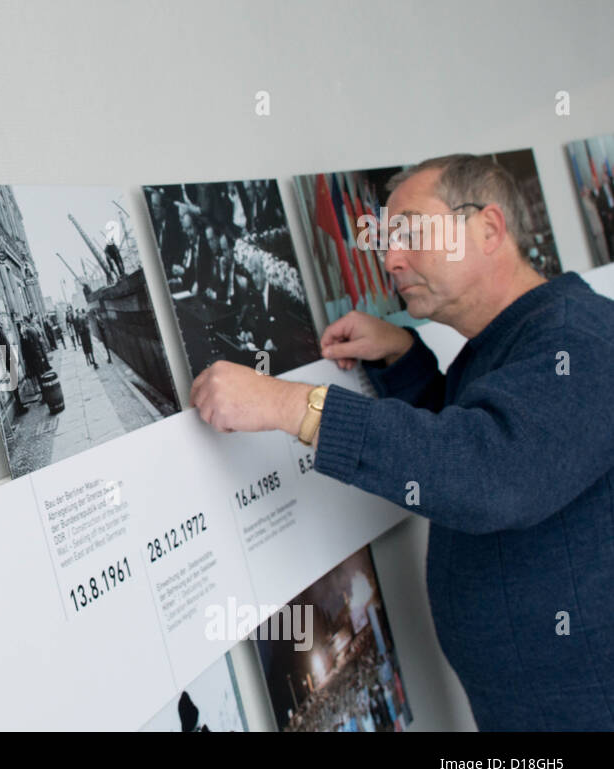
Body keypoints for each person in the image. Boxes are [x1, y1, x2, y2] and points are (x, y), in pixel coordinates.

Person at [190, 153, 614, 731]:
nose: (390, 259)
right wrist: (408, 360)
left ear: (489, 228)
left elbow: (493, 472)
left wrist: (289, 405)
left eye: (411, 233)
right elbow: (491, 438)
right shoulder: (510, 341)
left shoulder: (580, 341)